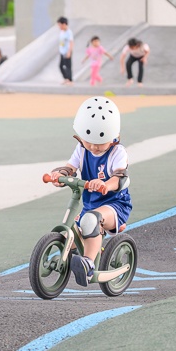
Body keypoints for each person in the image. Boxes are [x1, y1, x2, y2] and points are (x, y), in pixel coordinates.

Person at [45, 96, 132, 287]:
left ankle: (89, 264)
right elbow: (70, 167)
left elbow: (121, 178)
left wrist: (105, 185)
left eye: (99, 143)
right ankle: (59, 257)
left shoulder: (118, 153)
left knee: (91, 220)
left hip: (115, 205)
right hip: (90, 205)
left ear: (113, 137)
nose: (93, 147)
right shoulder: (82, 149)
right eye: (88, 141)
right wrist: (59, 175)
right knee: (72, 235)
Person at [56, 16, 73, 85]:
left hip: (67, 51)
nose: (59, 27)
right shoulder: (62, 32)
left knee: (68, 66)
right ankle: (66, 78)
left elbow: (71, 42)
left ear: (64, 24)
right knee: (60, 66)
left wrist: (69, 51)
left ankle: (70, 80)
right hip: (62, 52)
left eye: (60, 25)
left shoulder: (69, 32)